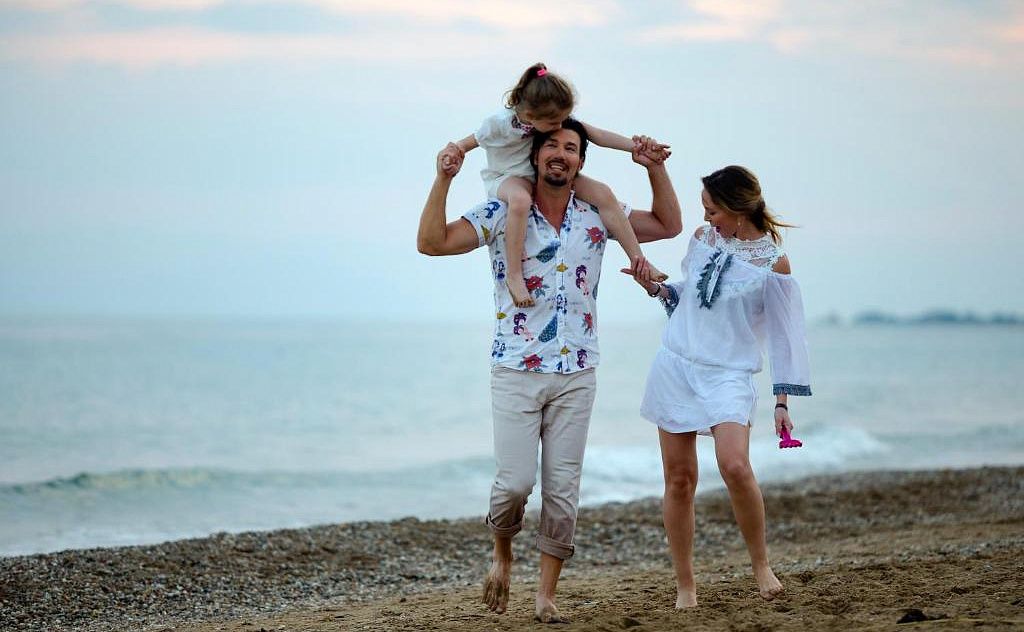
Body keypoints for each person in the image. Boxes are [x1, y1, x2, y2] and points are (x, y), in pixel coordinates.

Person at [418, 119, 681, 622]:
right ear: (536, 155)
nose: (561, 154)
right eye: (553, 146)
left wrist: (655, 168)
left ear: (581, 160)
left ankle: (545, 595)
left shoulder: (599, 211)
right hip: (515, 367)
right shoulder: (504, 209)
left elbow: (668, 225)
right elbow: (432, 243)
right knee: (514, 484)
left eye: (572, 148)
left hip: (578, 369)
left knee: (563, 491)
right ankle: (502, 552)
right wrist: (443, 179)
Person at [625, 165, 811, 609]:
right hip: (676, 367)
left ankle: (761, 565)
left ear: (738, 208)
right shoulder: (702, 240)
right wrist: (655, 287)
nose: (706, 218)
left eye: (712, 210)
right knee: (679, 480)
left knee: (735, 466)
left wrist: (781, 402)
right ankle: (685, 585)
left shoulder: (773, 262)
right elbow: (690, 298)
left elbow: (785, 336)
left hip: (729, 374)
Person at [440, 62, 670, 309]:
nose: (560, 126)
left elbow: (599, 136)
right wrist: (452, 154)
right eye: (554, 124)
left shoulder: (552, 115)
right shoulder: (498, 124)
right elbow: (466, 143)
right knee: (521, 200)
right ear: (531, 116)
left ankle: (639, 260)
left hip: (535, 173)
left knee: (603, 193)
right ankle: (514, 275)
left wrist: (636, 147)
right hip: (506, 178)